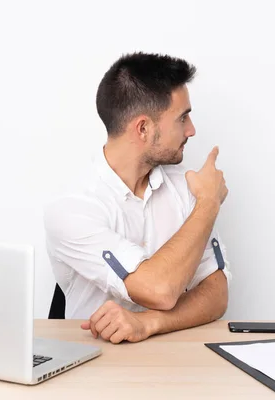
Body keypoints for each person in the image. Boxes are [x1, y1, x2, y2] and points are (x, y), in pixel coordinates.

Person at [43, 52, 231, 344]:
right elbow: (158, 289)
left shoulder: (186, 187)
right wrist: (208, 204)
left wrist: (148, 323)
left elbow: (217, 292)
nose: (192, 130)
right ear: (143, 128)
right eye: (183, 117)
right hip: (93, 369)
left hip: (176, 364)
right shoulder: (73, 208)